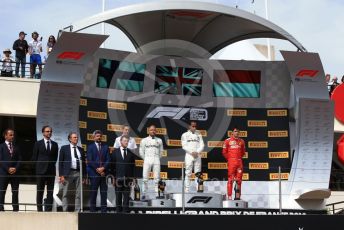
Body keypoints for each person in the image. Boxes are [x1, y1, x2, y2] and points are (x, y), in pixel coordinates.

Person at [32, 125, 58, 211]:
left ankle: (48, 209)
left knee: (50, 192)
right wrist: (36, 169)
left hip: (51, 171)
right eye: (47, 131)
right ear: (43, 133)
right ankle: (39, 210)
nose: (49, 133)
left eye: (50, 131)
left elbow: (55, 158)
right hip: (40, 171)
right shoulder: (38, 143)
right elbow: (34, 158)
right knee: (40, 191)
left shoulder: (55, 144)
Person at [58, 132, 86, 212]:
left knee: (79, 193)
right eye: (74, 137)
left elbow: (83, 163)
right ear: (70, 139)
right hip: (68, 173)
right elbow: (60, 162)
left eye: (77, 137)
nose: (76, 139)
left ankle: (77, 211)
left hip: (78, 173)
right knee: (65, 193)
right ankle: (65, 211)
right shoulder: (64, 148)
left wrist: (84, 176)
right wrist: (61, 175)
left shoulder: (80, 149)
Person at [87, 130, 110, 213]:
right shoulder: (90, 147)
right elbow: (90, 160)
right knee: (93, 193)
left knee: (104, 193)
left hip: (104, 173)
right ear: (93, 137)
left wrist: (103, 168)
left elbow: (108, 160)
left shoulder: (105, 147)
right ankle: (92, 211)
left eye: (100, 136)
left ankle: (104, 211)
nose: (99, 137)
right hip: (94, 173)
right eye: (97, 136)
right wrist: (98, 169)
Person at [111, 135, 136, 213]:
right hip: (117, 179)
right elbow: (112, 166)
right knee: (118, 197)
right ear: (121, 141)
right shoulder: (115, 152)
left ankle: (125, 213)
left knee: (126, 198)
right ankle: (118, 213)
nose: (126, 142)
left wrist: (132, 179)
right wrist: (113, 178)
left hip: (128, 180)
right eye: (125, 141)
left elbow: (133, 167)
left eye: (127, 141)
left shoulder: (131, 154)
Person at [0, 129, 21, 211]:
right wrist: (8, 168)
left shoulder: (16, 147)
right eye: (10, 135)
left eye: (13, 135)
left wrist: (15, 168)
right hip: (4, 172)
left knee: (15, 191)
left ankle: (15, 209)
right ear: (5, 136)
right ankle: (1, 208)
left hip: (15, 173)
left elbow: (20, 159)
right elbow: (0, 160)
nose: (12, 136)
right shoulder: (1, 146)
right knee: (2, 191)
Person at [222, 127, 246, 200]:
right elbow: (224, 152)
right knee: (231, 179)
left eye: (238, 131)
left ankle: (238, 196)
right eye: (235, 131)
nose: (237, 133)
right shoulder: (227, 141)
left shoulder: (242, 141)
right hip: (231, 162)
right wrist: (230, 159)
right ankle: (229, 197)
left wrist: (237, 158)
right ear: (232, 132)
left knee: (239, 180)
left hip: (239, 162)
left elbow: (243, 152)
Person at [181, 121, 204, 193]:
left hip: (197, 155)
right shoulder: (185, 135)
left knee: (198, 173)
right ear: (189, 127)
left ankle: (199, 188)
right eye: (193, 126)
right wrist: (192, 152)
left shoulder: (199, 134)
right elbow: (184, 146)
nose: (194, 128)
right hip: (189, 155)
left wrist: (197, 152)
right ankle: (186, 189)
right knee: (188, 172)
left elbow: (202, 145)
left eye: (195, 126)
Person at [139, 125, 163, 193]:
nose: (153, 131)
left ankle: (157, 192)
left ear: (156, 131)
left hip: (156, 159)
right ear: (148, 131)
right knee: (145, 177)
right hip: (147, 159)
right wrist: (145, 158)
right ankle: (144, 193)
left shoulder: (159, 140)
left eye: (154, 130)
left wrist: (157, 158)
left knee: (157, 178)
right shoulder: (144, 140)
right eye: (151, 130)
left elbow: (161, 151)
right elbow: (141, 151)